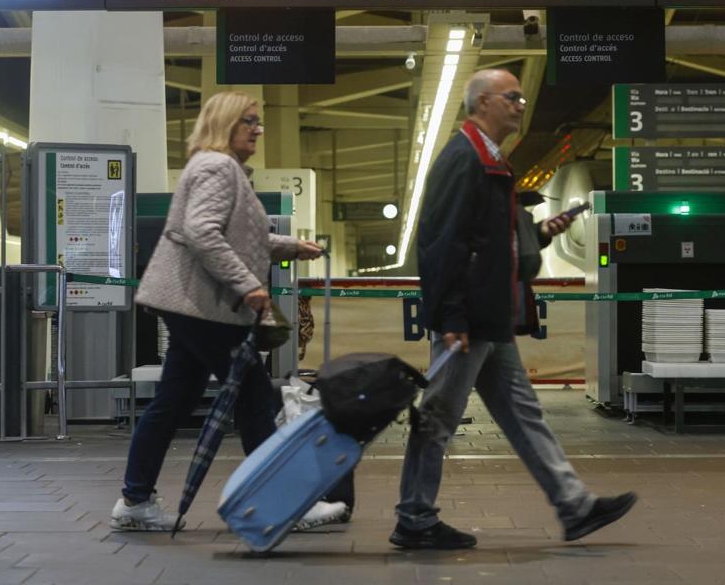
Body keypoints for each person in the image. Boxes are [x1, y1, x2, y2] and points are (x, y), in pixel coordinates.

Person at [390, 69, 637, 550]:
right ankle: (415, 518)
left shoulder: (491, 159)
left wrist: (541, 234)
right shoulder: (464, 159)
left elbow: (492, 242)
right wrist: (451, 317)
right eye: (512, 97)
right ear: (483, 102)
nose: (522, 105)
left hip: (491, 319)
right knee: (437, 417)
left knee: (524, 415)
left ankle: (574, 506)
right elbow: (441, 243)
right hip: (469, 322)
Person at [110, 90, 335, 531]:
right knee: (254, 398)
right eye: (249, 121)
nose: (258, 130)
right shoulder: (218, 167)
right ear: (225, 123)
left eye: (258, 122)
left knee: (173, 402)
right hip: (205, 306)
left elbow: (234, 235)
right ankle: (288, 500)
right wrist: (249, 284)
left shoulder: (218, 168)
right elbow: (202, 233)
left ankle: (134, 501)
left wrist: (290, 245)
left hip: (195, 305)